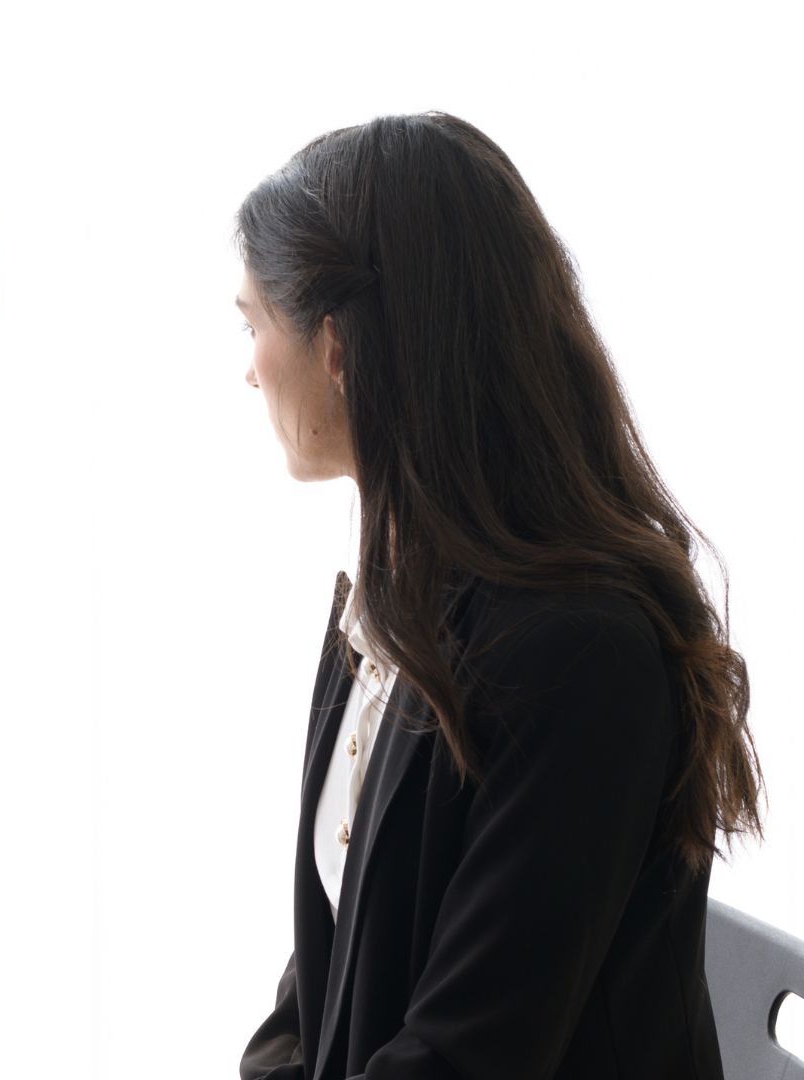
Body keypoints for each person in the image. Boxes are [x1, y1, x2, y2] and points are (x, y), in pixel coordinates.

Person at [230, 113, 762, 1080]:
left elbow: (470, 1055)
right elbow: (318, 983)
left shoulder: (578, 652)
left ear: (339, 348)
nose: (248, 365)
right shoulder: (381, 617)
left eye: (253, 322)